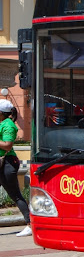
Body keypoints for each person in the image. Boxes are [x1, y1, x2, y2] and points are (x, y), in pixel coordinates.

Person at [0, 100, 31, 237]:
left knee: (15, 195)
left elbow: (7, 145)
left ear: (1, 113)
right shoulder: (2, 124)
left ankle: (31, 224)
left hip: (7, 163)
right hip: (3, 163)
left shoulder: (9, 125)